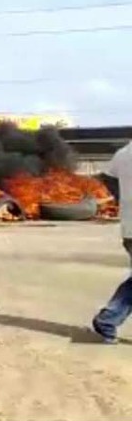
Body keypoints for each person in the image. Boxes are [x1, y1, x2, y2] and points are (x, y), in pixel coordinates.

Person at [93, 140, 132, 343]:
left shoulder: (123, 152)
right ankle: (108, 319)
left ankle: (108, 319)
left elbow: (106, 177)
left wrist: (121, 198)